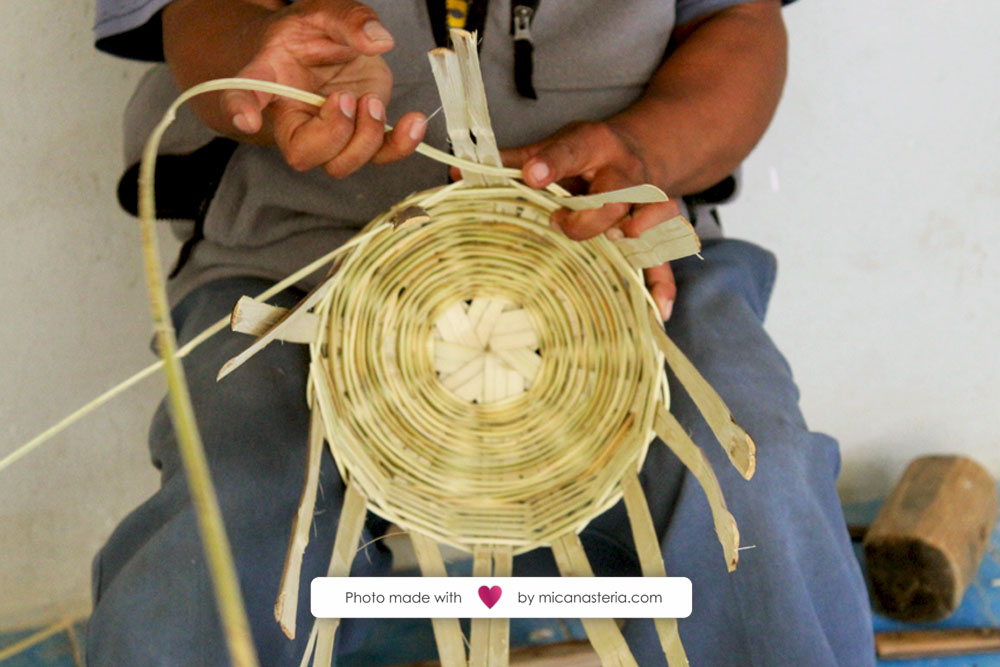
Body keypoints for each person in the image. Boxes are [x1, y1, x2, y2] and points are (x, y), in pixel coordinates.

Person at [88, 0, 876, 664]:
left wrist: (646, 150)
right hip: (301, 262)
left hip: (615, 251)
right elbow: (193, 14)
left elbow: (737, 22)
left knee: (752, 477)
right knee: (233, 512)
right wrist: (261, 58)